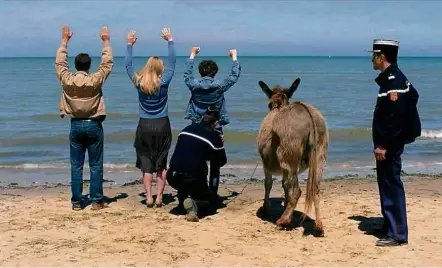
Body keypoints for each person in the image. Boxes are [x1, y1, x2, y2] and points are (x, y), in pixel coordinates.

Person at [55, 25, 113, 211]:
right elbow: (107, 64)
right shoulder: (94, 80)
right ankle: (96, 201)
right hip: (94, 124)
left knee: (76, 166)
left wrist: (64, 41)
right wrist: (105, 41)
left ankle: (77, 203)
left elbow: (60, 63)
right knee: (95, 165)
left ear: (76, 66)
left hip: (76, 125)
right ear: (88, 66)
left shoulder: (67, 80)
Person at [369, 39, 421, 247]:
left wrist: (384, 145)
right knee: (385, 182)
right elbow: (414, 95)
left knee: (392, 184)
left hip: (389, 144)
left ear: (381, 56)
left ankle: (398, 234)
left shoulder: (394, 80)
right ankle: (388, 225)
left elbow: (396, 119)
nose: (371, 59)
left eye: (374, 55)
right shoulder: (392, 79)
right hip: (387, 143)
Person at [125, 28, 176, 208]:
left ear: (147, 67)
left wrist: (129, 45)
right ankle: (160, 197)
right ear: (160, 69)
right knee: (161, 163)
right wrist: (170, 41)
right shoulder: (164, 82)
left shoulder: (139, 82)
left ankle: (148, 197)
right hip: (162, 124)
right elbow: (173, 63)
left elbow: (128, 66)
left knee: (147, 163)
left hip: (145, 125)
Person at [183, 46, 241, 198]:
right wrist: (234, 57)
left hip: (196, 127)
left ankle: (200, 190)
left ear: (201, 72)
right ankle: (213, 193)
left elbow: (187, 74)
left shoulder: (194, 85)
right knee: (215, 163)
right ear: (214, 73)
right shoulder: (219, 86)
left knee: (199, 160)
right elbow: (234, 76)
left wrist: (192, 54)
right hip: (215, 127)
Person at [167, 107, 227, 222]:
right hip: (191, 179)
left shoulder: (186, 129)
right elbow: (221, 162)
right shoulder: (214, 136)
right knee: (211, 205)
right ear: (215, 123)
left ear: (202, 118)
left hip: (172, 176)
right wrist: (221, 144)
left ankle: (183, 201)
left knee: (189, 170)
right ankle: (194, 204)